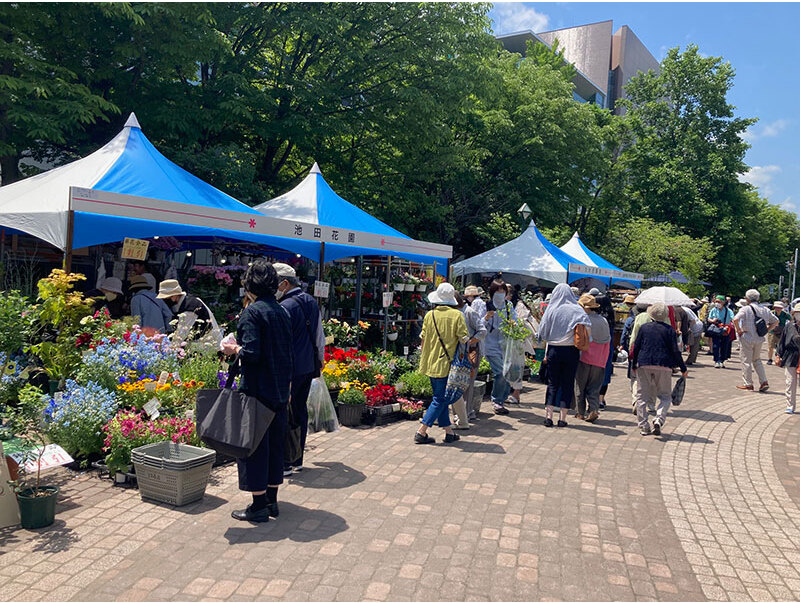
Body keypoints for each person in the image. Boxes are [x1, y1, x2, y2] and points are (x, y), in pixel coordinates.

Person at [221, 259, 293, 522]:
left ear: (250, 285)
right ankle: (272, 502)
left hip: (257, 390)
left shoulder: (253, 313)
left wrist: (233, 349)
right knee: (275, 445)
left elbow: (251, 353)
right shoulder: (282, 311)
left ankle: (258, 505)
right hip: (279, 389)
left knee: (254, 447)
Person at [273, 263, 325, 475]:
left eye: (274, 283)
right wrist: (319, 361)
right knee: (300, 412)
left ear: (284, 283)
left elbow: (282, 344)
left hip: (291, 370)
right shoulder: (310, 301)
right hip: (308, 367)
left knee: (285, 413)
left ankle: (285, 462)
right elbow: (319, 335)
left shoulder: (285, 306)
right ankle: (298, 458)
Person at [415, 283, 469, 444]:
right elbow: (464, 339)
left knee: (440, 397)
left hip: (430, 362)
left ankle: (449, 432)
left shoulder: (429, 315)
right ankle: (421, 431)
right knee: (440, 399)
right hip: (447, 364)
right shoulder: (457, 315)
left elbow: (423, 339)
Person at [537, 283, 591, 427]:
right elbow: (587, 331)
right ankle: (563, 418)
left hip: (554, 350)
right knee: (567, 384)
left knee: (552, 383)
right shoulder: (577, 309)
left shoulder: (552, 309)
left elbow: (542, 332)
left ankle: (548, 416)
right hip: (571, 350)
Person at [631, 303, 687, 436]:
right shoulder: (669, 330)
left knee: (641, 397)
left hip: (644, 363)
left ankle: (644, 425)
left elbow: (636, 346)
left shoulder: (644, 328)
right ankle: (659, 418)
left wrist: (634, 364)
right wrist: (683, 367)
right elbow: (675, 350)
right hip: (664, 365)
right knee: (665, 396)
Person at [483, 279, 517, 415]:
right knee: (500, 373)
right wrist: (486, 318)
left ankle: (501, 401)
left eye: (503, 291)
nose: (501, 294)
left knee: (507, 373)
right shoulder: (486, 305)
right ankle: (496, 400)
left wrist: (514, 324)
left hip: (506, 345)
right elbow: (479, 326)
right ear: (492, 292)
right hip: (490, 345)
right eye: (498, 291)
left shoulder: (508, 306)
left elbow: (515, 320)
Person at [574, 294, 610, 423]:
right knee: (594, 387)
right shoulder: (603, 321)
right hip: (600, 360)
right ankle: (594, 409)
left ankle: (580, 412)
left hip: (584, 358)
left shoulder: (584, 320)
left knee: (580, 386)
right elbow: (607, 342)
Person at [453, 292, 486, 427]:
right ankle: (459, 414)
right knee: (456, 383)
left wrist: (470, 342)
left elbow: (482, 331)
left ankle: (466, 413)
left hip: (470, 352)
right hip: (456, 353)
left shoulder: (469, 312)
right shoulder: (453, 313)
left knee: (468, 383)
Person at [733, 289, 777, 392]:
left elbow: (735, 319)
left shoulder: (745, 309)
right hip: (759, 338)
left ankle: (748, 383)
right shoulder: (765, 309)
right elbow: (776, 321)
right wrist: (766, 330)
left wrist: (739, 330)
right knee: (757, 360)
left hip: (747, 337)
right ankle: (763, 381)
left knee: (746, 360)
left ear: (747, 298)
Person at [775, 304, 800, 414]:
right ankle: (790, 405)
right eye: (797, 313)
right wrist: (778, 355)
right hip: (790, 355)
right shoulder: (789, 326)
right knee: (790, 382)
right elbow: (782, 341)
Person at [594, 293, 616, 409]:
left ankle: (593, 398)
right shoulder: (611, 316)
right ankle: (601, 400)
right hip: (608, 347)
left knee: (593, 373)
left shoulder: (596, 317)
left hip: (594, 348)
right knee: (605, 374)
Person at [708, 295, 734, 369]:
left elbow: (733, 319)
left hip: (725, 330)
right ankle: (716, 360)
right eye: (716, 301)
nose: (717, 303)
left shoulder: (728, 311)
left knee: (724, 346)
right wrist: (712, 320)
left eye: (719, 302)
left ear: (723, 302)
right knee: (715, 346)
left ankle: (722, 360)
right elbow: (709, 318)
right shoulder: (714, 310)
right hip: (716, 329)